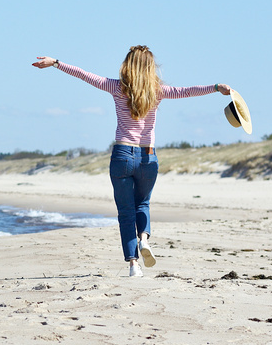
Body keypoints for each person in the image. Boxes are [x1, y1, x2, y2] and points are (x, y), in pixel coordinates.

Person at [33, 46, 231, 277]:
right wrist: (217, 87)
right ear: (150, 67)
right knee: (143, 204)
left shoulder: (117, 87)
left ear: (127, 65)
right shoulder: (158, 91)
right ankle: (144, 239)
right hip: (148, 157)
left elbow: (85, 75)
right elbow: (186, 91)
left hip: (122, 156)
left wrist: (56, 62)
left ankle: (133, 265)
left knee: (126, 212)